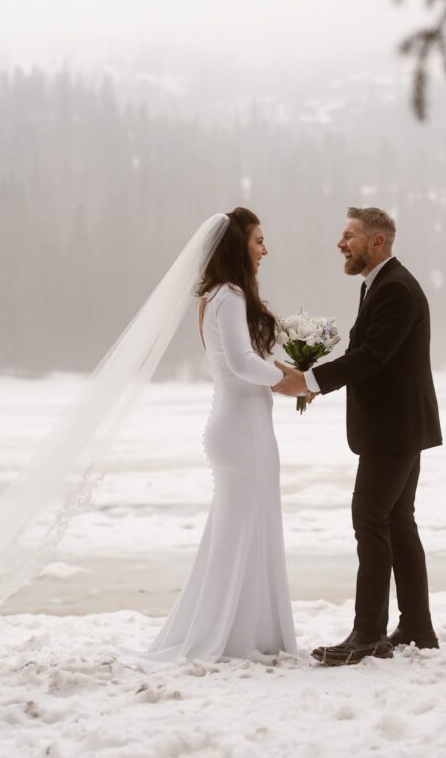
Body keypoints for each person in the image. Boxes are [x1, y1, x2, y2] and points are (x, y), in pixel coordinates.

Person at [273, 206, 442, 666]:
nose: (340, 243)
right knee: (398, 522)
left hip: (394, 430)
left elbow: (372, 356)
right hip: (399, 425)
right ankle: (417, 627)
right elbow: (370, 356)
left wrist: (308, 381)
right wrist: (315, 382)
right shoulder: (383, 285)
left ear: (377, 242)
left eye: (349, 235)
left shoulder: (396, 289)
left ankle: (368, 634)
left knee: (369, 519)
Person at [141, 207, 297, 662]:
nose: (265, 250)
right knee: (244, 528)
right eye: (258, 241)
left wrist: (278, 380)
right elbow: (242, 362)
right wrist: (290, 379)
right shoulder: (229, 296)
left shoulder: (213, 295)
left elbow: (241, 363)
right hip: (242, 427)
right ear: (237, 246)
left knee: (243, 528)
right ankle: (233, 635)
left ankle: (244, 629)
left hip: (239, 422)